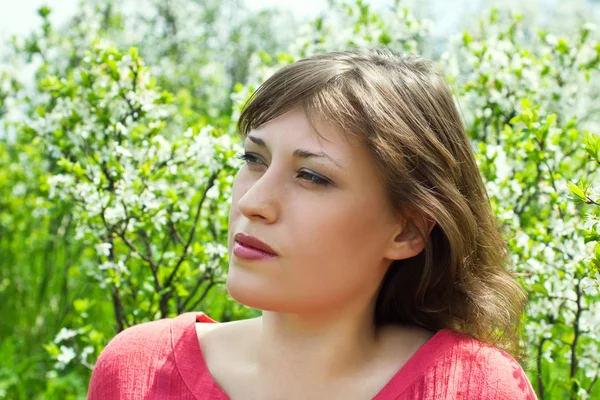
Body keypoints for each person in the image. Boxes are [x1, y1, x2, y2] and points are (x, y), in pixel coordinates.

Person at [87, 48, 538, 399]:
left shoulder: (474, 388)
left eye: (312, 176)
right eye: (254, 159)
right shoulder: (136, 371)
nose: (253, 200)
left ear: (407, 231)